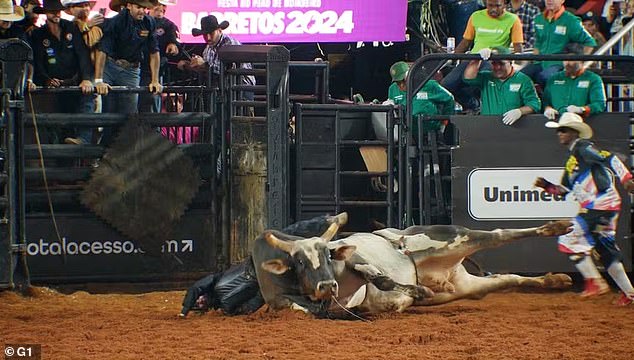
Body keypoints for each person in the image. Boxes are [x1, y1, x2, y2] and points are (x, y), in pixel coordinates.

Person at [534, 113, 634, 306]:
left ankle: (595, 282)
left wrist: (626, 178)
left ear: (573, 132)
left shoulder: (583, 147)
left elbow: (609, 158)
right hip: (604, 206)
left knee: (569, 238)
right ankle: (629, 293)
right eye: (558, 130)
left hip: (599, 204)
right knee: (607, 252)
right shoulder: (573, 160)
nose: (559, 134)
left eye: (562, 130)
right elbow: (563, 191)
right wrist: (546, 185)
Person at [30, 0, 94, 144]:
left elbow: (82, 54)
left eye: (58, 11)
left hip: (74, 82)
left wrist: (86, 78)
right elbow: (37, 61)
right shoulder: (38, 34)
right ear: (46, 13)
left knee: (81, 110)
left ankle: (80, 143)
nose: (56, 14)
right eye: (53, 11)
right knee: (57, 123)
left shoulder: (71, 27)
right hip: (53, 88)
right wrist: (46, 79)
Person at [441, 0, 524, 112]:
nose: (493, 9)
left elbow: (518, 48)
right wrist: (451, 58)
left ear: (505, 4)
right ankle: (473, 104)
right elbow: (466, 42)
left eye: (497, 6)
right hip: (473, 57)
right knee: (447, 85)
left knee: (475, 83)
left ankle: (481, 106)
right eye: (490, 5)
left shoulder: (513, 20)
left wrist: (516, 64)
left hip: (494, 60)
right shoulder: (476, 16)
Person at [94, 0, 162, 120]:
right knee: (106, 112)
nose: (142, 10)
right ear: (129, 6)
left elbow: (154, 51)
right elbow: (102, 49)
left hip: (132, 70)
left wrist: (155, 80)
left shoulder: (149, 22)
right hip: (110, 67)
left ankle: (127, 138)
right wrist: (99, 80)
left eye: (144, 7)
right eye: (138, 7)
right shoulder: (116, 21)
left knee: (130, 115)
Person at [520, 0, 596, 87]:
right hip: (540, 62)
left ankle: (548, 98)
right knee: (519, 78)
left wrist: (579, 63)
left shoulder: (571, 20)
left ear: (562, 0)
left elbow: (590, 43)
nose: (549, 0)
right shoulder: (539, 19)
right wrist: (532, 61)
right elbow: (538, 43)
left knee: (545, 77)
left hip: (559, 63)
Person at [463, 46, 541, 125]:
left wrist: (520, 111)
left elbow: (535, 104)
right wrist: (477, 58)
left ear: (510, 62)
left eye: (501, 63)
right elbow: (468, 77)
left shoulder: (523, 80)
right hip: (488, 125)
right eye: (494, 63)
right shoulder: (486, 77)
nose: (497, 67)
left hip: (514, 126)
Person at [177, 15, 255, 91]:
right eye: (205, 34)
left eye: (211, 33)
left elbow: (227, 70)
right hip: (225, 89)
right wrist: (189, 65)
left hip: (242, 88)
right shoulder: (208, 49)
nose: (208, 37)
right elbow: (209, 71)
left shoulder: (229, 44)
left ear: (220, 30)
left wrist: (204, 65)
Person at [387, 61, 455, 136]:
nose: (402, 85)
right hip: (405, 131)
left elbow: (449, 99)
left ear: (410, 75)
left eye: (403, 80)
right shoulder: (392, 89)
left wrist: (444, 122)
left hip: (429, 129)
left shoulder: (429, 84)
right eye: (398, 82)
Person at [138, 0, 179, 113]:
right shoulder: (139, 20)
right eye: (158, 4)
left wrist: (173, 45)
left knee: (152, 104)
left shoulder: (169, 25)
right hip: (135, 68)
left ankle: (155, 130)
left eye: (164, 5)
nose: (161, 7)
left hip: (155, 72)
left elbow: (174, 44)